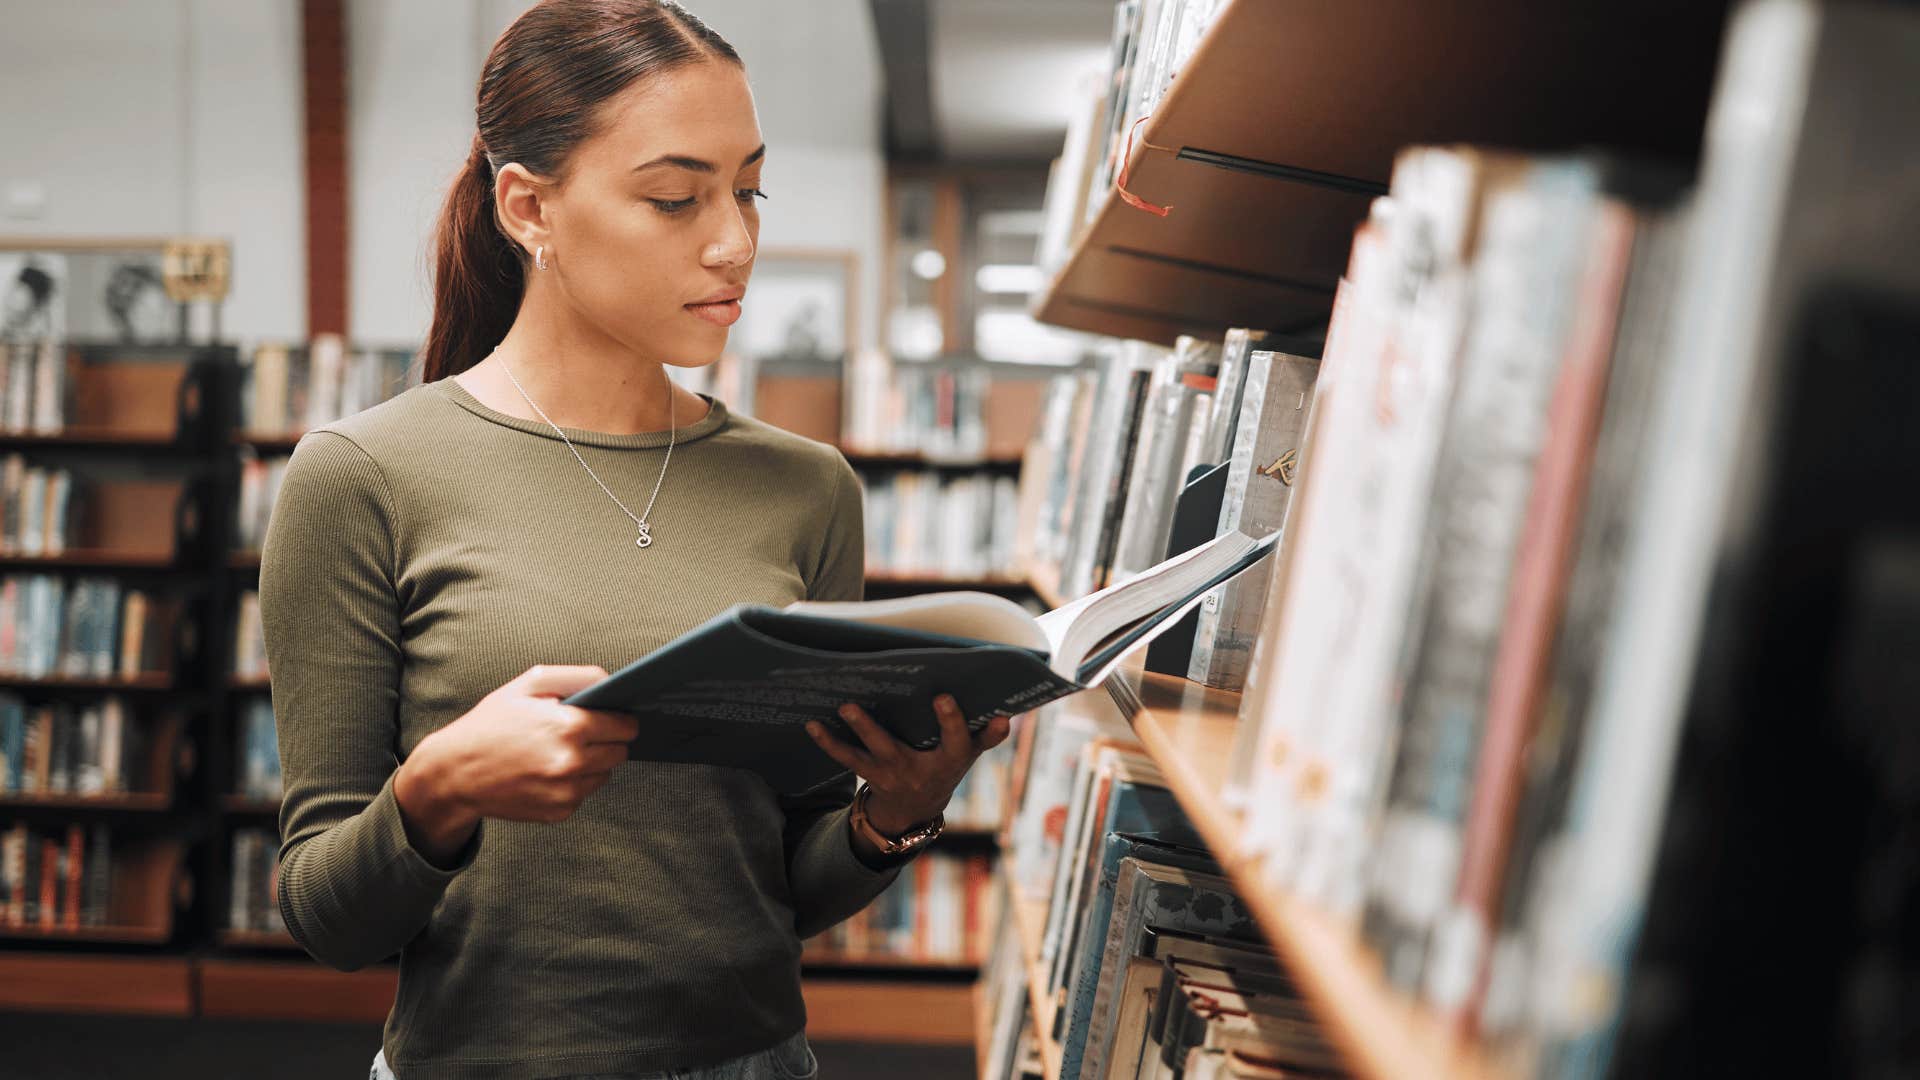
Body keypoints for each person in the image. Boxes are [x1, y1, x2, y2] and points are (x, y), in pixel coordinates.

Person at [256, 3, 1010, 1077]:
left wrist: (894, 817)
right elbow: (328, 918)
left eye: (749, 189)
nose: (736, 241)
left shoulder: (808, 489)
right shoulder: (364, 478)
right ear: (529, 207)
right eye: (675, 198)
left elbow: (785, 890)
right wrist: (440, 789)